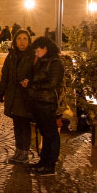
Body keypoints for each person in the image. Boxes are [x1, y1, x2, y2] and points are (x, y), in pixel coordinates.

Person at [25, 36, 65, 176]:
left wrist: (31, 84)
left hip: (47, 103)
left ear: (45, 48)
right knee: (45, 134)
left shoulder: (55, 63)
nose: (36, 53)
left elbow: (52, 84)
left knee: (51, 134)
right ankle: (43, 161)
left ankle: (50, 165)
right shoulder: (42, 62)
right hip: (38, 102)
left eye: (38, 50)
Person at [0, 29, 34, 163]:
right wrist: (1, 92)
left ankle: (24, 151)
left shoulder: (32, 56)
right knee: (17, 124)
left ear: (29, 41)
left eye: (25, 39)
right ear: (15, 41)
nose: (22, 42)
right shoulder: (12, 56)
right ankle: (18, 150)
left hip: (26, 96)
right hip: (13, 95)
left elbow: (36, 75)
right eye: (19, 39)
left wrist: (29, 82)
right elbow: (5, 75)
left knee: (25, 124)